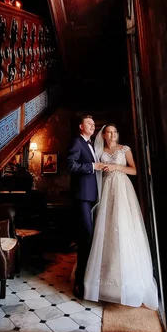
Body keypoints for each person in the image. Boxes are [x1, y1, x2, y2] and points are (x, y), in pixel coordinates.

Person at [84, 124, 158, 310]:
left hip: (123, 190)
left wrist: (116, 167)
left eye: (115, 131)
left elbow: (134, 170)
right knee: (107, 230)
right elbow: (96, 170)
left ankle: (130, 283)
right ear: (104, 135)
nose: (112, 134)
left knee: (124, 227)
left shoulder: (125, 149)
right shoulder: (100, 151)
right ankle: (107, 284)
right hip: (108, 190)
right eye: (109, 132)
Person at [67, 115, 105, 297]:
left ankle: (88, 280)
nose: (93, 125)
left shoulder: (91, 145)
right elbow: (70, 165)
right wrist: (92, 166)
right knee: (86, 238)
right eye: (89, 123)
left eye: (93, 123)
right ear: (81, 126)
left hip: (91, 197)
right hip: (81, 196)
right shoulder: (77, 142)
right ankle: (80, 283)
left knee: (89, 237)